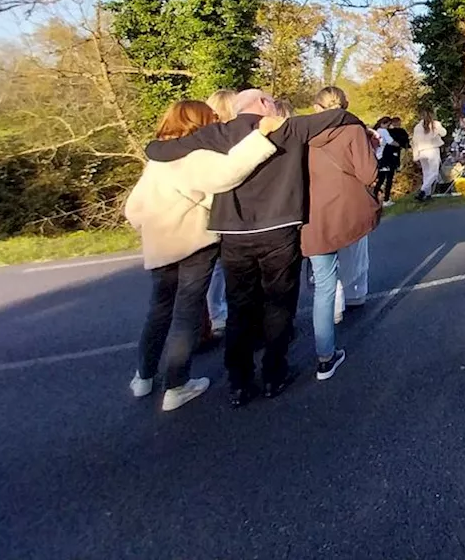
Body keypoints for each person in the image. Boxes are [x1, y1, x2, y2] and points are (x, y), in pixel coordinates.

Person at [142, 89, 363, 407]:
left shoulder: (218, 133)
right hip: (279, 227)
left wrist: (153, 146)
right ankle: (274, 374)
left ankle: (239, 382)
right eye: (270, 100)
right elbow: (337, 116)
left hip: (234, 232)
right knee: (278, 305)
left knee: (240, 307)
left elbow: (162, 150)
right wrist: (358, 124)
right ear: (262, 105)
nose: (274, 104)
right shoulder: (288, 128)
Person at [125, 102, 283, 411]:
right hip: (193, 242)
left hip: (159, 243)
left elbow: (133, 207)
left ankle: (143, 376)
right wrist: (260, 137)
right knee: (187, 312)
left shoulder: (158, 157)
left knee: (158, 310)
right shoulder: (191, 156)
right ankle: (176, 385)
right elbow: (226, 176)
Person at [301, 87, 379, 382]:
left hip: (313, 212)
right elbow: (369, 173)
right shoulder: (352, 129)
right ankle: (355, 294)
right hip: (346, 207)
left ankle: (325, 354)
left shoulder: (301, 133)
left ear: (316, 106)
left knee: (323, 280)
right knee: (355, 250)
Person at [202, 88, 239, 338]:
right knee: (228, 266)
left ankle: (215, 314)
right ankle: (221, 313)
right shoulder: (234, 138)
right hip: (227, 207)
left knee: (214, 267)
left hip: (207, 209)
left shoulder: (202, 139)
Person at [412, 106, 447, 200]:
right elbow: (444, 133)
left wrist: (415, 156)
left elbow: (414, 142)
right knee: (434, 173)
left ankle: (427, 194)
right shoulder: (435, 124)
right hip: (432, 150)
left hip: (422, 151)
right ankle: (423, 190)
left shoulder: (417, 127)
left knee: (426, 173)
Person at [373, 117, 400, 207]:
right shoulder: (383, 131)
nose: (389, 127)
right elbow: (391, 142)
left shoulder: (376, 131)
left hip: (377, 157)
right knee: (389, 178)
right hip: (385, 158)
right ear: (384, 124)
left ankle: (373, 199)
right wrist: (399, 144)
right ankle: (386, 199)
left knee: (380, 180)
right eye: (388, 125)